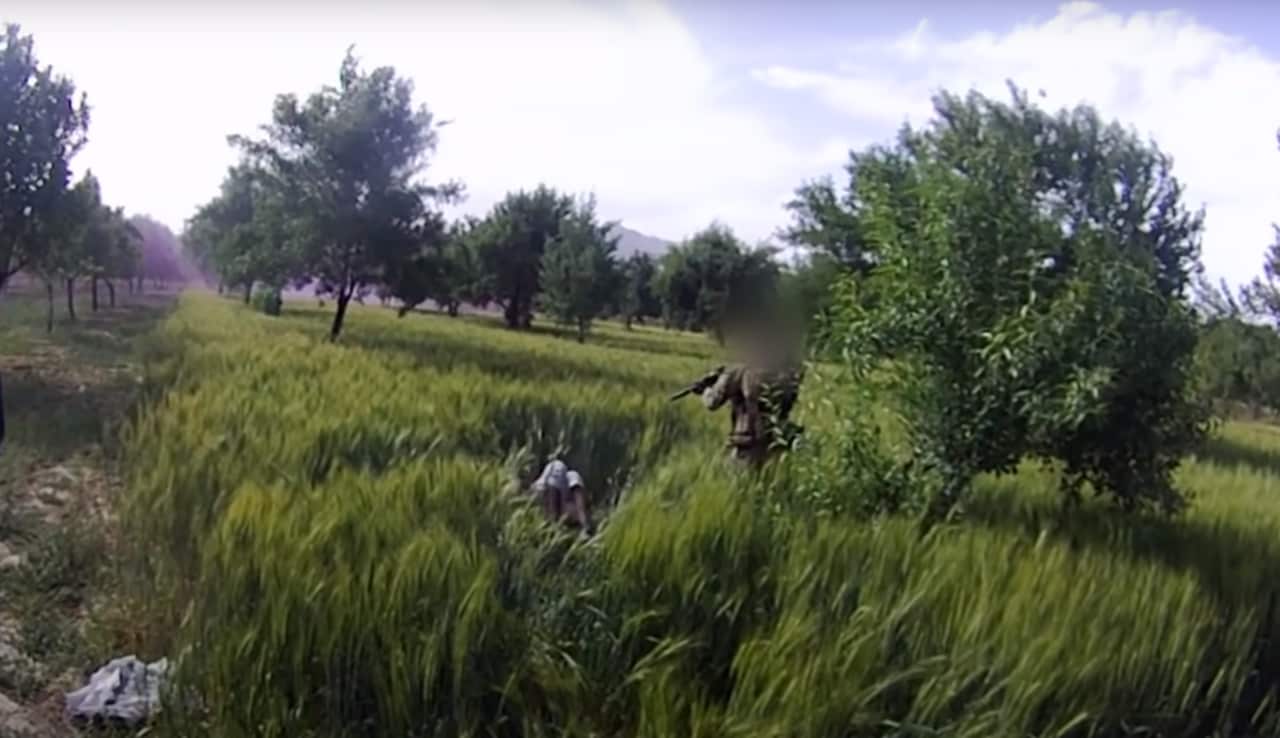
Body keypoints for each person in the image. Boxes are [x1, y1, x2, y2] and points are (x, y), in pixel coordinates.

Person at [530, 459, 595, 535]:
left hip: (552, 504)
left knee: (562, 468)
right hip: (549, 495)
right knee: (566, 471)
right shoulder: (571, 479)